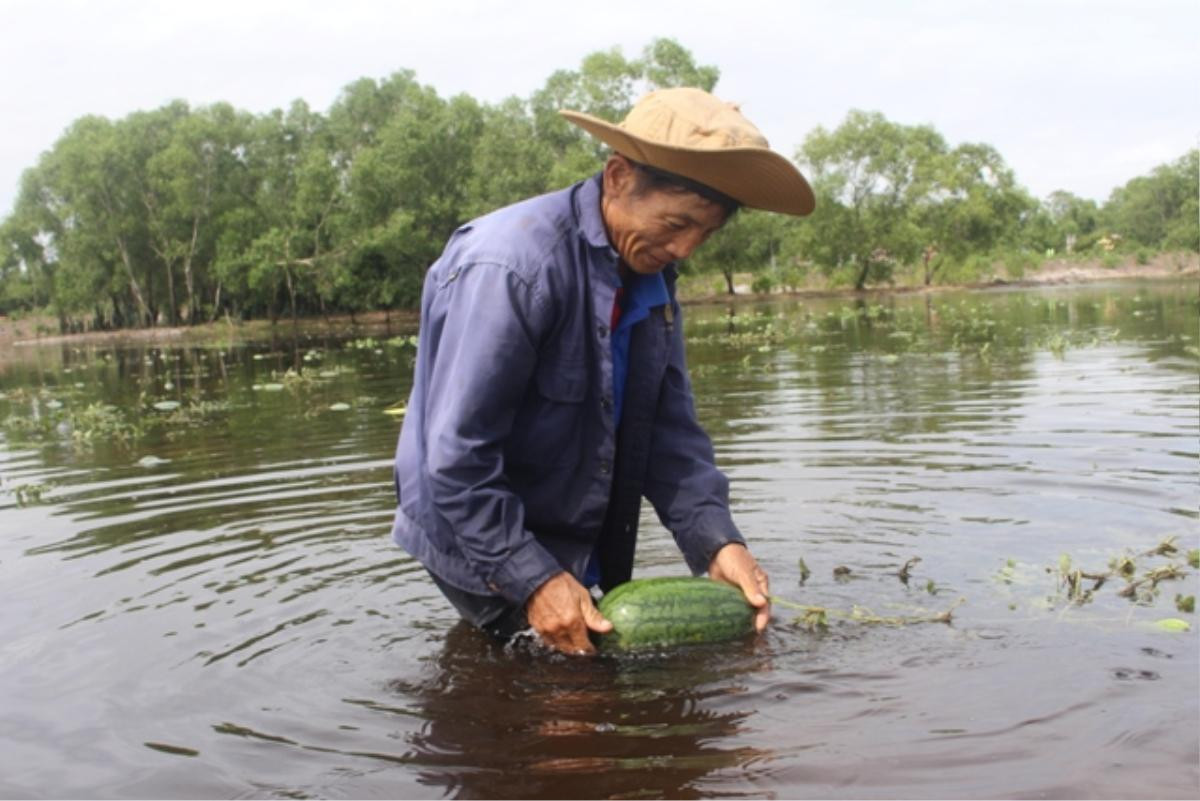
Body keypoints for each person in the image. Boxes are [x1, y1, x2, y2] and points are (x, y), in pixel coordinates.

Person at [390, 87, 815, 654]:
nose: (685, 248)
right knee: (569, 699)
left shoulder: (649, 270)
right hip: (475, 525)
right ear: (618, 177)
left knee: (577, 672)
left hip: (565, 509)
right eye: (676, 223)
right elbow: (456, 462)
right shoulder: (512, 268)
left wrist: (717, 542)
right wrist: (534, 578)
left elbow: (670, 432)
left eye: (704, 233)